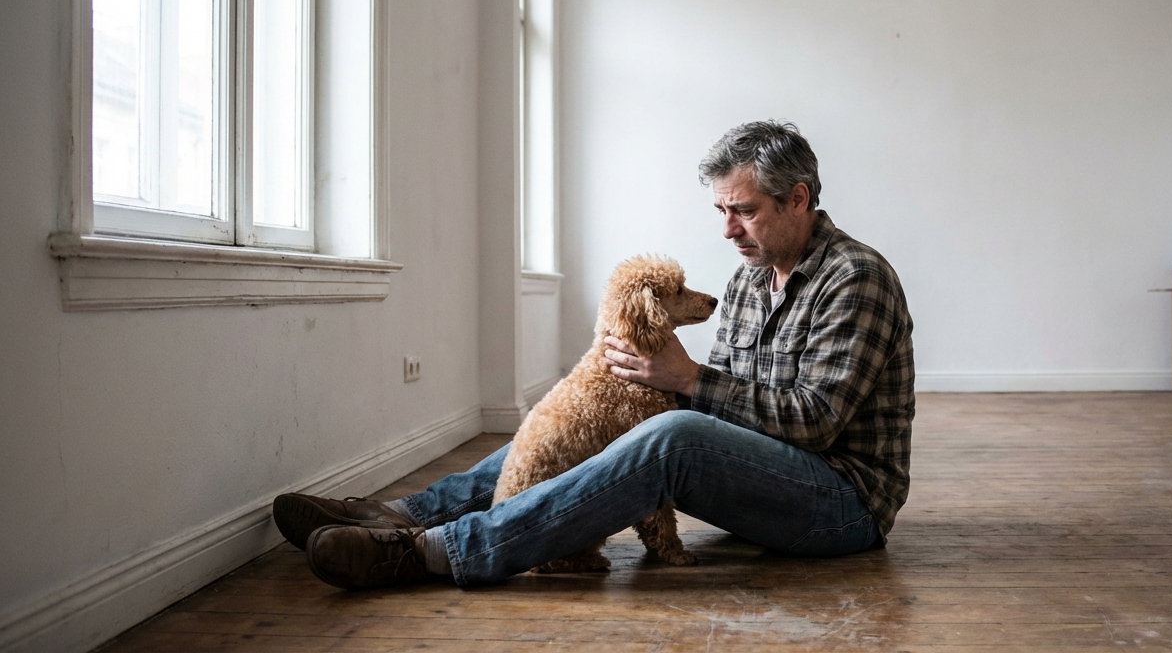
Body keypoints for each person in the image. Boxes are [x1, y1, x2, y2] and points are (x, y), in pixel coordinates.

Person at [276, 120, 916, 588]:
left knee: (673, 437)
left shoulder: (855, 278)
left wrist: (687, 380)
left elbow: (814, 422)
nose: (726, 229)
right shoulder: (750, 278)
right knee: (572, 414)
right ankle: (402, 516)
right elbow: (727, 410)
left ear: (798, 198)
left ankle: (437, 553)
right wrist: (644, 390)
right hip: (765, 486)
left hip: (841, 506)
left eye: (743, 211)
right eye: (721, 210)